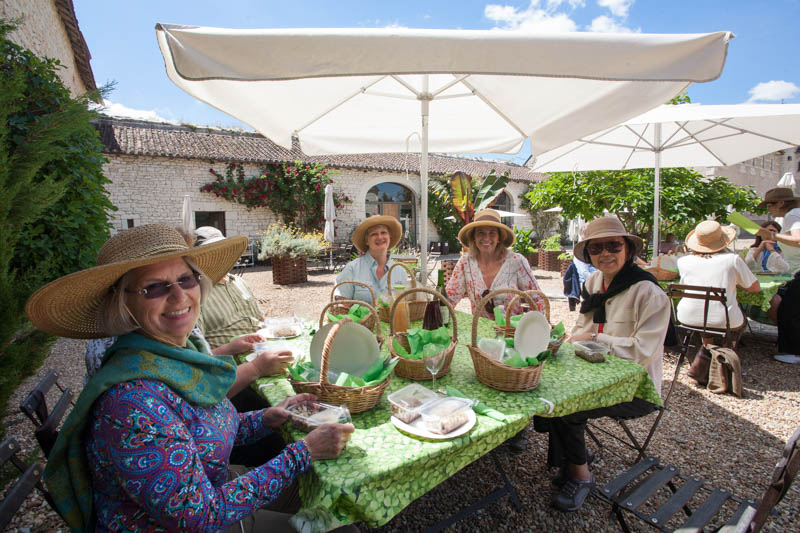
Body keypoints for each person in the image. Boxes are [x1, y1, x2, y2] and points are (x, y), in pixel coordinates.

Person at [26, 224, 355, 532]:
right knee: (341, 524)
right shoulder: (131, 402)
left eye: (186, 279)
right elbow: (198, 517)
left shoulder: (175, 358)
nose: (179, 296)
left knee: (330, 500)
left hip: (217, 487)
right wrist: (303, 453)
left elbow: (202, 432)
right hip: (190, 520)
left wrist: (267, 418)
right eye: (154, 287)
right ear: (122, 302)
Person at [534, 217, 671, 512]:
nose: (605, 253)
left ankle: (581, 477)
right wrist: (564, 340)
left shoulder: (649, 292)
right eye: (596, 248)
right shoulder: (594, 282)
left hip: (635, 388)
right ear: (589, 254)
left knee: (567, 408)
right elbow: (581, 329)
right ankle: (572, 458)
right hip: (593, 374)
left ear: (628, 249)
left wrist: (597, 338)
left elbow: (643, 351)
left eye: (613, 246)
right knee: (546, 394)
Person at [445, 209, 546, 319]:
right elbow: (450, 298)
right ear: (473, 237)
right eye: (480, 233)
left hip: (511, 328)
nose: (486, 238)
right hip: (479, 329)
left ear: (499, 237)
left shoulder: (516, 261)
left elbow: (538, 299)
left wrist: (532, 324)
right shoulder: (465, 262)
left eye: (492, 233)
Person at [676, 220, 759, 347]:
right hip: (724, 319)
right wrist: (734, 283)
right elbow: (754, 287)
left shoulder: (683, 261)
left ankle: (707, 348)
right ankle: (727, 352)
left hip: (688, 315)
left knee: (706, 311)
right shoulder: (732, 259)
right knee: (733, 318)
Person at [755, 188, 800, 362]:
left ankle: (795, 353)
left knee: (789, 312)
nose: (768, 209)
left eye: (770, 205)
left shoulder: (792, 215)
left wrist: (772, 235)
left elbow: (798, 239)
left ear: (781, 203)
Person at [335, 215, 408, 303]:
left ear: (389, 237)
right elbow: (341, 304)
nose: (380, 237)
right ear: (366, 241)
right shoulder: (352, 269)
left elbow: (406, 304)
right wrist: (362, 310)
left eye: (383, 232)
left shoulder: (400, 272)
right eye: (374, 234)